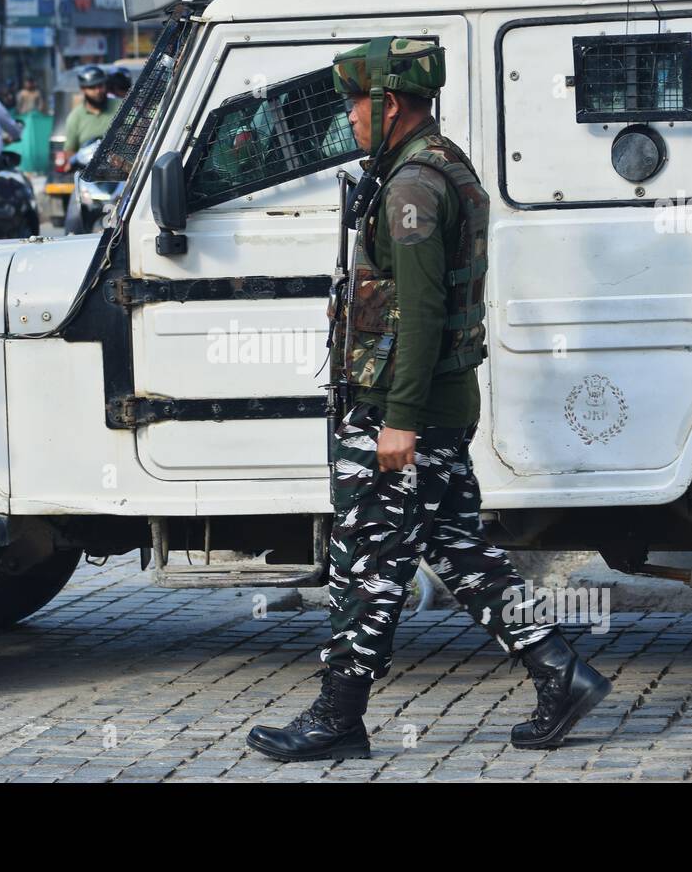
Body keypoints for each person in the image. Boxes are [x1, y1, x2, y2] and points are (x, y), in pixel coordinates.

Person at [245, 37, 612, 763]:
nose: (349, 117)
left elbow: (417, 311)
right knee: (462, 552)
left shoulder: (414, 187)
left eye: (356, 103)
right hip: (433, 406)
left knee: (367, 564)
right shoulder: (434, 167)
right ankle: (559, 673)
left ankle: (337, 717)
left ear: (392, 104)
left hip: (401, 409)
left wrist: (399, 422)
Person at [61, 65, 117, 171]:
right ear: (83, 89)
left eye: (100, 86)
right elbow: (69, 152)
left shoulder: (120, 107)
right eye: (92, 87)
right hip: (88, 177)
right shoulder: (75, 117)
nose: (98, 91)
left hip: (119, 173)